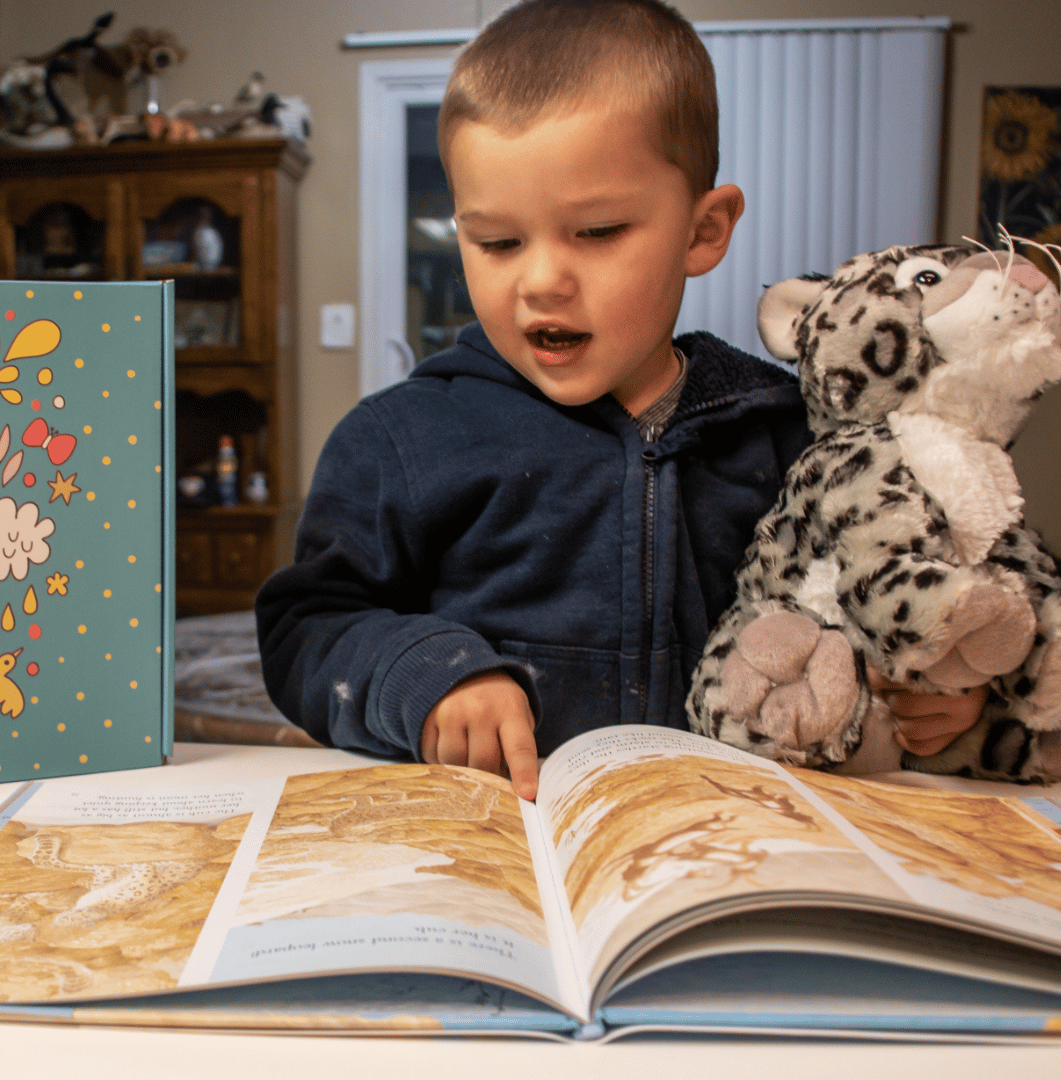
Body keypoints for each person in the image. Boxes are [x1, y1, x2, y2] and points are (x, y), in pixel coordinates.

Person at [256, 0, 984, 799]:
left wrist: (938, 688)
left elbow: (891, 600)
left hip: (738, 829)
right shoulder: (398, 437)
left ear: (703, 231)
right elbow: (307, 630)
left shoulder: (791, 435)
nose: (541, 281)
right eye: (497, 242)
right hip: (504, 831)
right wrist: (423, 675)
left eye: (598, 232)